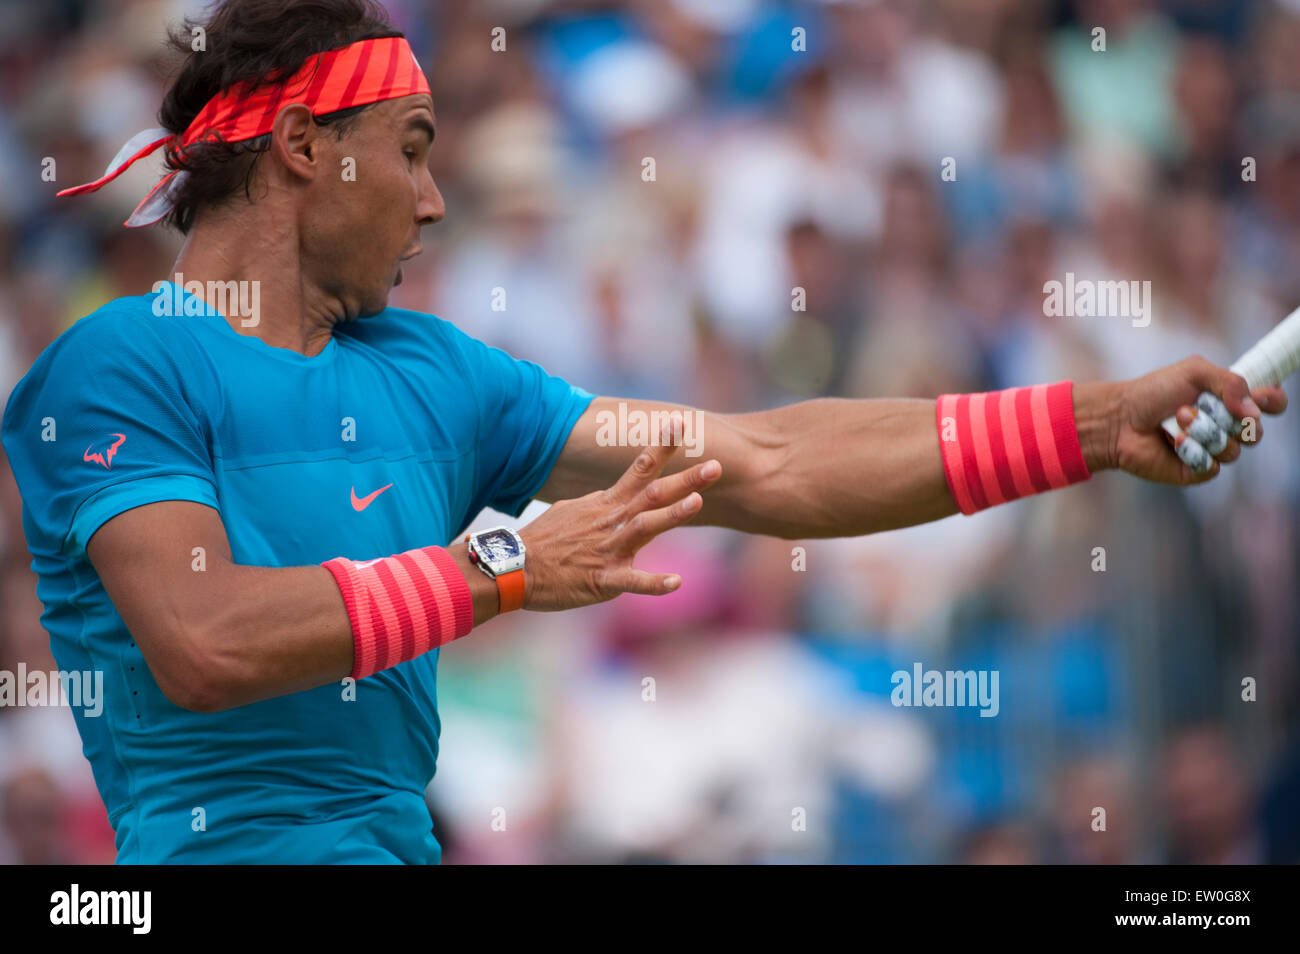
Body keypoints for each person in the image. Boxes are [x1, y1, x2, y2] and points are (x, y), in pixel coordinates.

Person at [0, 0, 1287, 863]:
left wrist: (1091, 421)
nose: (435, 200)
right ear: (299, 149)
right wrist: (498, 573)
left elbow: (769, 458)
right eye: (409, 149)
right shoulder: (116, 364)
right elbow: (204, 644)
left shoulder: (439, 373)